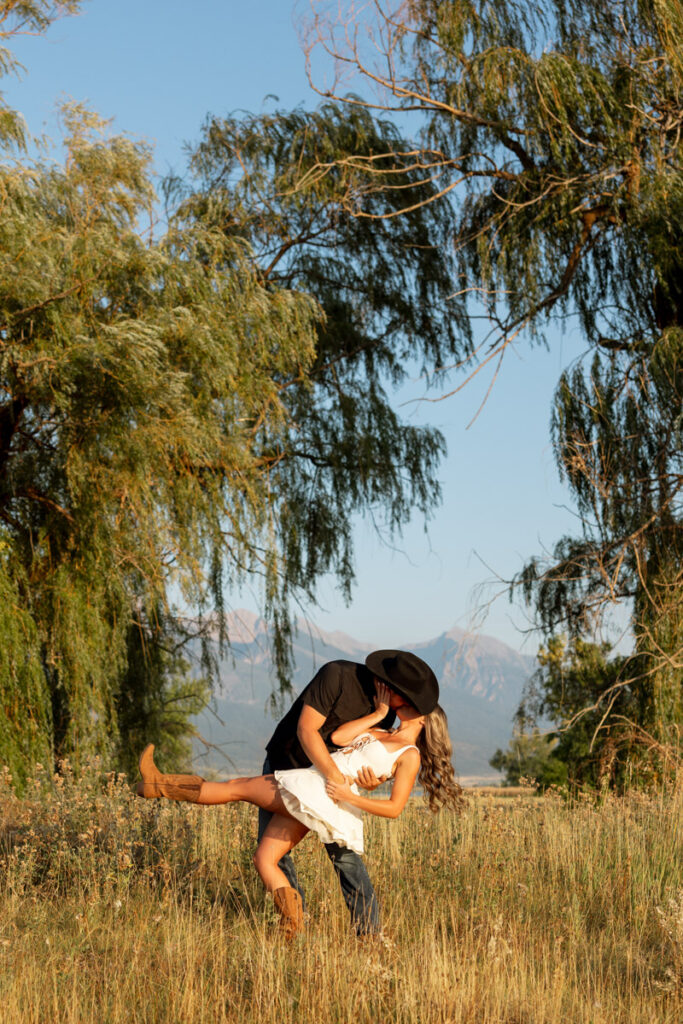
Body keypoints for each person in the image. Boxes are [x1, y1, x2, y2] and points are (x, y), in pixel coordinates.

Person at [136, 650, 463, 939]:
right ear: (393, 689)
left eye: (413, 705)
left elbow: (388, 795)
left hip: (318, 789)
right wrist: (375, 719)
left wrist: (355, 788)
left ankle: (157, 785)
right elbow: (325, 734)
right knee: (265, 858)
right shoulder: (348, 686)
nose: (406, 705)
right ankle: (294, 924)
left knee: (238, 790)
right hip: (296, 769)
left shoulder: (407, 749)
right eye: (408, 698)